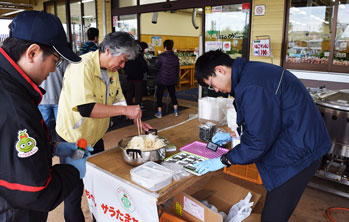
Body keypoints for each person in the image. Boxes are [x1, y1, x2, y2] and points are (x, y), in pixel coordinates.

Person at [193, 50, 331, 222]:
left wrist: (223, 160)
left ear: (220, 70)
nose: (216, 90)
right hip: (296, 139)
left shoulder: (253, 86)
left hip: (298, 153)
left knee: (273, 216)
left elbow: (257, 143)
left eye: (211, 84)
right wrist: (233, 134)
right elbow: (265, 121)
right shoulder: (250, 74)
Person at [0, 10, 93, 221]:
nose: (54, 69)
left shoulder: (9, 83)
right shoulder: (15, 106)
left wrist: (50, 148)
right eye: (56, 60)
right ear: (32, 53)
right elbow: (37, 192)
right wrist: (72, 170)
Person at [56, 31, 152, 222]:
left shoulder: (111, 71)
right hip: (75, 139)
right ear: (107, 50)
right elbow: (86, 108)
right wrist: (126, 112)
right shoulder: (81, 67)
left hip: (95, 136)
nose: (122, 66)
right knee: (74, 191)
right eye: (122, 60)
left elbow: (118, 100)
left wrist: (136, 119)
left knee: (96, 183)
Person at [38, 59, 69, 139]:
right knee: (62, 128)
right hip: (59, 98)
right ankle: (63, 147)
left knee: (43, 128)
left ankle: (45, 147)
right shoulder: (62, 60)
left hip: (43, 99)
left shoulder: (37, 60)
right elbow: (68, 79)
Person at [155, 39, 180, 118]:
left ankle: (159, 112)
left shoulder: (161, 56)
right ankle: (176, 111)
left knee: (159, 95)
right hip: (172, 79)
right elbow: (177, 69)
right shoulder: (175, 57)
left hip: (162, 79)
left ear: (164, 47)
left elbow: (157, 66)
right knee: (173, 95)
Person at [125, 41, 149, 107]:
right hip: (138, 78)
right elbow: (145, 68)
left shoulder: (129, 55)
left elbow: (125, 66)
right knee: (138, 95)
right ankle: (137, 108)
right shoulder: (140, 57)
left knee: (129, 94)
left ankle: (128, 107)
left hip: (129, 77)